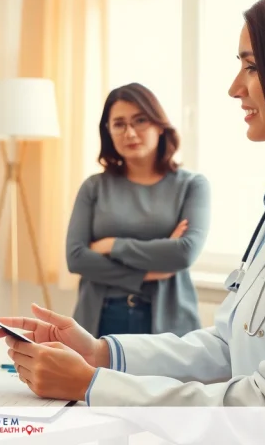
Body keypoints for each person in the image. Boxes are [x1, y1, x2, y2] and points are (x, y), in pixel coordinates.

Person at [0, 0, 265, 406]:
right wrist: (100, 353)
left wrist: (92, 385)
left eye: (251, 67)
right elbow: (228, 348)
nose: (235, 88)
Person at [66, 83, 211, 339]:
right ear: (108, 131)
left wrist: (112, 245)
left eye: (140, 120)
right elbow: (76, 258)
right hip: (100, 319)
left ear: (159, 125)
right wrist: (152, 270)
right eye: (119, 124)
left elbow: (184, 253)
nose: (130, 132)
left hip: (169, 322)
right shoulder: (94, 187)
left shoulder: (191, 185)